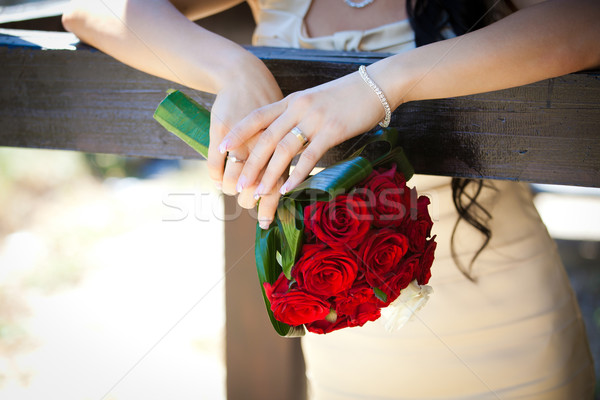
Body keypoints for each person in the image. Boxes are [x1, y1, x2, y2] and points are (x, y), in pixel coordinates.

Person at [62, 0, 598, 398]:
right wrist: (234, 67)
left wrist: (382, 85)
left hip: (504, 310)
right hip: (346, 319)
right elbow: (91, 9)